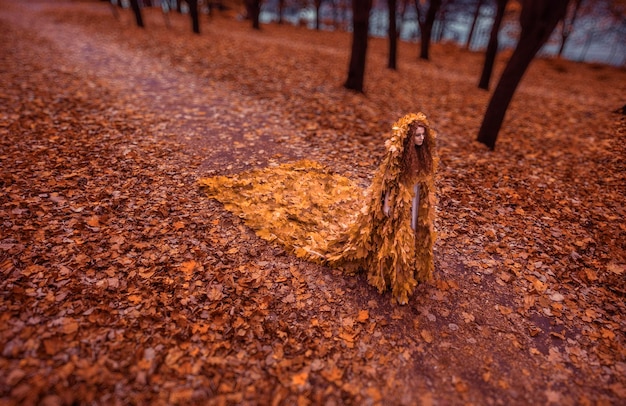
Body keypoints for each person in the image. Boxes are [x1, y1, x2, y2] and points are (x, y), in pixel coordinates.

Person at [325, 113, 437, 304]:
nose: (421, 138)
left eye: (423, 135)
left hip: (417, 199)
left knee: (416, 231)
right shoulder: (398, 155)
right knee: (400, 240)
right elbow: (388, 182)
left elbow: (425, 180)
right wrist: (386, 203)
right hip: (401, 202)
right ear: (409, 137)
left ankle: (415, 268)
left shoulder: (423, 154)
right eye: (417, 135)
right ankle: (400, 285)